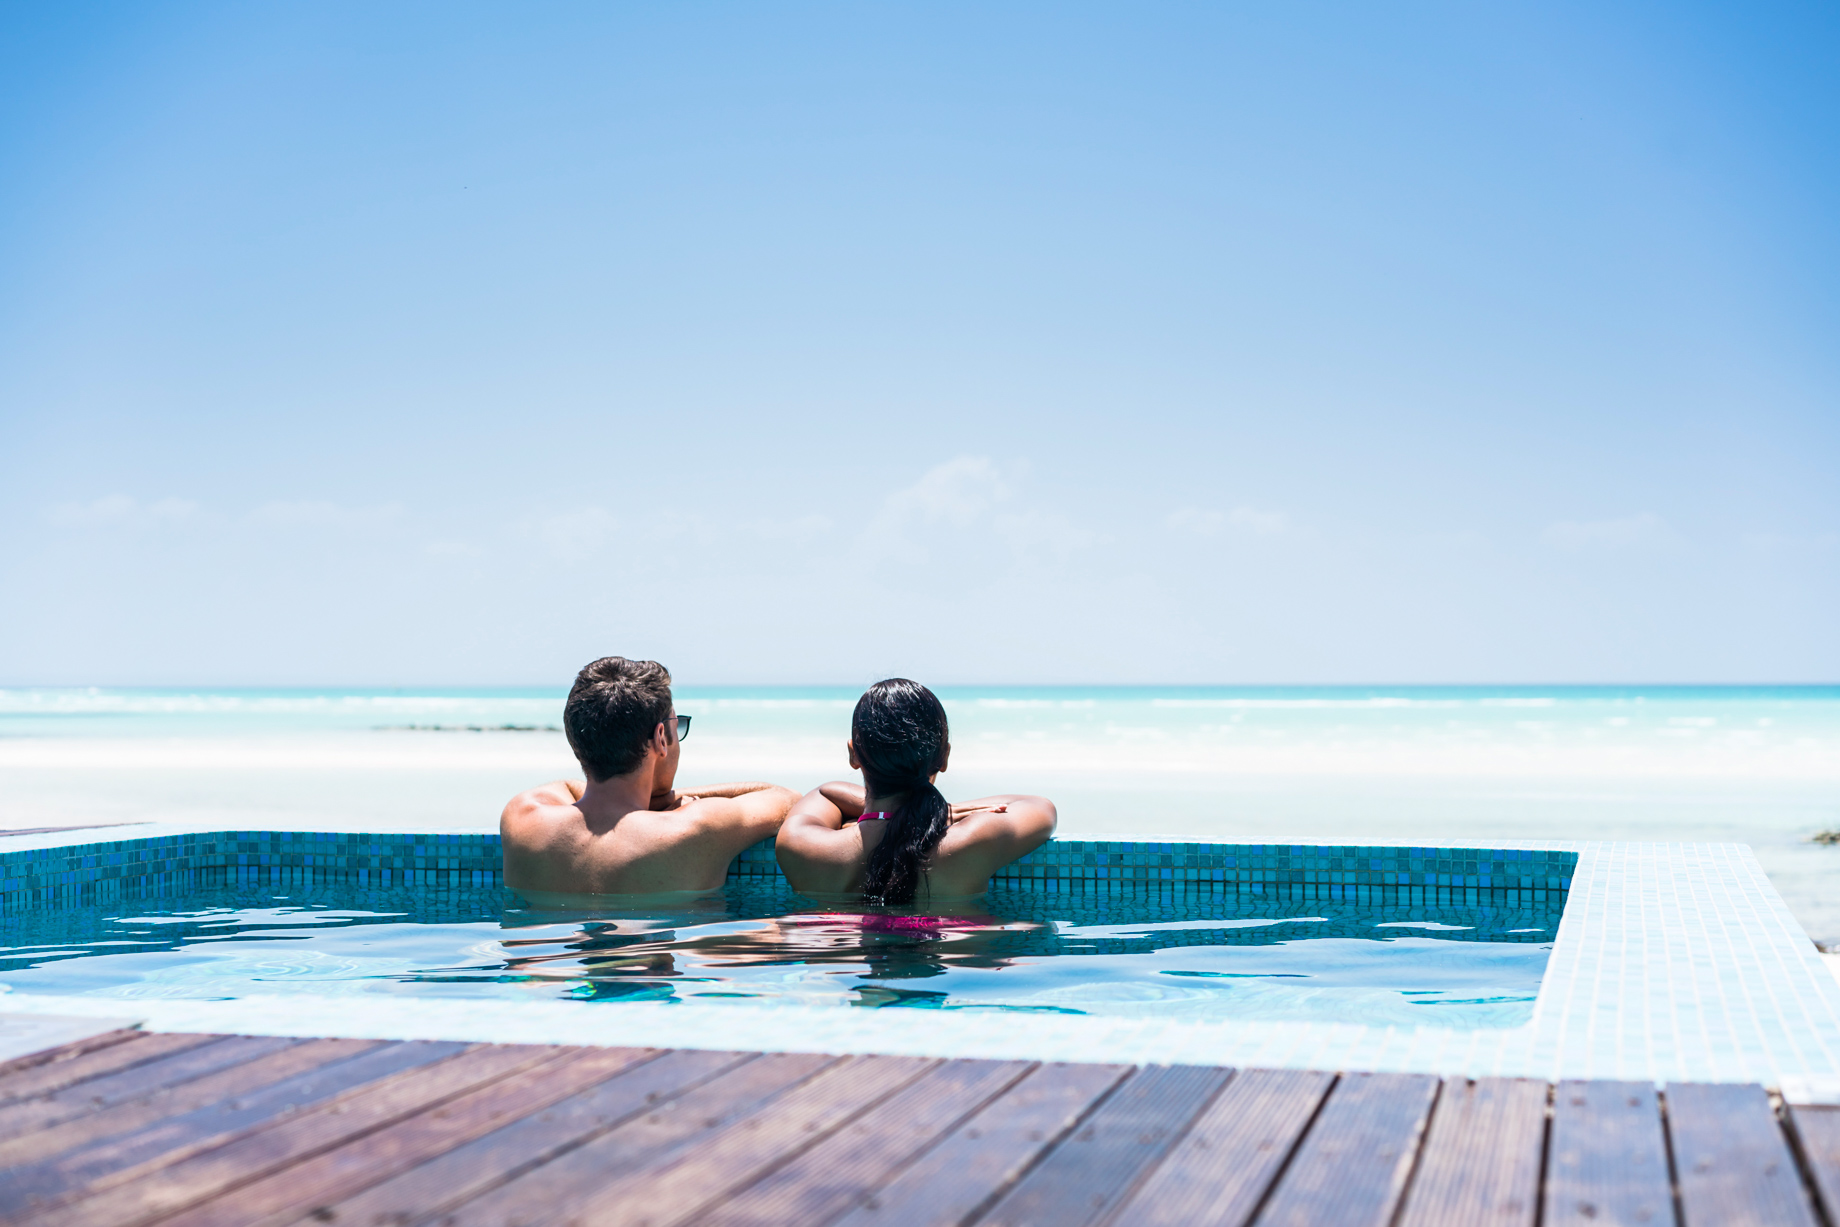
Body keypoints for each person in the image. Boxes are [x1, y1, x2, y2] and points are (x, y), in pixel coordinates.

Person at [501, 656, 799, 899]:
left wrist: (648, 798)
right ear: (661, 738)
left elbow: (569, 788)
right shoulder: (698, 825)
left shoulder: (523, 816)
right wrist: (670, 800)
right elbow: (785, 799)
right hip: (650, 970)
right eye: (675, 725)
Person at [775, 678, 1057, 904]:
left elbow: (825, 793)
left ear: (853, 755)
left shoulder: (800, 845)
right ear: (943, 758)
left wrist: (895, 811)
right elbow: (1041, 807)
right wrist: (943, 812)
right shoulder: (973, 840)